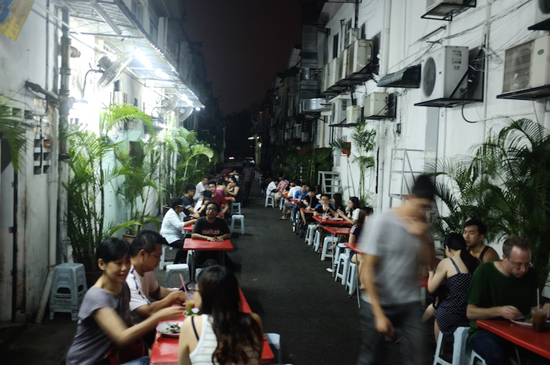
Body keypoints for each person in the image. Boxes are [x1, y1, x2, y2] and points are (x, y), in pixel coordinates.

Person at [357, 175, 436, 365]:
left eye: (427, 208)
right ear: (409, 197)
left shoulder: (422, 226)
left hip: (409, 302)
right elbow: (366, 271)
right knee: (372, 359)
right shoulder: (382, 222)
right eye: (421, 205)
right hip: (378, 301)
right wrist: (379, 315)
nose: (423, 211)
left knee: (417, 358)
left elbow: (430, 263)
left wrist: (423, 236)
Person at [66, 237, 183, 365]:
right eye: (118, 263)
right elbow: (122, 337)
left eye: (127, 262)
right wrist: (158, 317)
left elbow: (129, 327)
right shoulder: (96, 296)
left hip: (113, 356)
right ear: (101, 264)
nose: (125, 268)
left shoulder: (123, 286)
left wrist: (149, 352)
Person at [465, 235, 550, 364]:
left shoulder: (530, 274)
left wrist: (545, 308)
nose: (523, 269)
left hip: (519, 332)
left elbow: (534, 311)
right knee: (497, 358)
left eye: (527, 264)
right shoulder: (484, 272)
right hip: (484, 332)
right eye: (518, 264)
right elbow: (470, 312)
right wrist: (498, 311)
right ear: (504, 257)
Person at [177, 266, 263, 365]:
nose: (194, 293)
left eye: (196, 290)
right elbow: (257, 358)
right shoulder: (254, 321)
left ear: (206, 296)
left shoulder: (191, 324)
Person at [126, 230, 187, 342]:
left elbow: (156, 291)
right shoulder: (129, 278)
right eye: (157, 256)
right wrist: (173, 297)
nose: (159, 261)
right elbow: (147, 312)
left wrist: (180, 293)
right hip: (137, 335)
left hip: (149, 326)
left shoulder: (145, 268)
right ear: (143, 254)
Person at [427, 232, 479, 342]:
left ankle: (439, 353)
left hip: (452, 314)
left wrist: (431, 272)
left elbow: (431, 288)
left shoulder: (447, 262)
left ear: (447, 248)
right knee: (437, 305)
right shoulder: (475, 261)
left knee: (438, 312)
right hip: (472, 315)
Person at [191, 201, 235, 272]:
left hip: (216, 249)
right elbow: (193, 235)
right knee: (195, 265)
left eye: (213, 209)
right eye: (209, 209)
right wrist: (207, 238)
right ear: (205, 211)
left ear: (217, 212)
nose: (210, 211)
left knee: (230, 267)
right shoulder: (200, 221)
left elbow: (228, 234)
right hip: (202, 248)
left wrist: (221, 237)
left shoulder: (221, 221)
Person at [160, 198, 196, 264]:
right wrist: (192, 221)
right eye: (182, 206)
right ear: (177, 207)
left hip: (176, 235)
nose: (183, 207)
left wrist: (192, 218)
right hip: (168, 237)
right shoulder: (171, 214)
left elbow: (185, 218)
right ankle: (176, 262)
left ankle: (183, 260)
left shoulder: (180, 213)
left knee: (189, 238)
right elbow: (179, 225)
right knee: (184, 245)